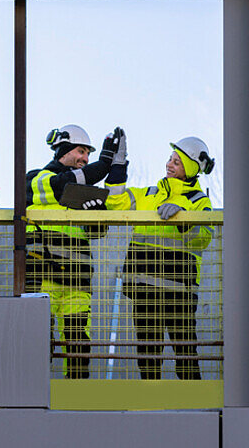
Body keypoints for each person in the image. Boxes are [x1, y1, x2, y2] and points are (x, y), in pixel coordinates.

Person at [106, 136, 215, 380]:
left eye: (177, 162)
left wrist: (184, 220)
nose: (169, 164)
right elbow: (115, 202)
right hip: (144, 287)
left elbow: (204, 238)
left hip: (179, 289)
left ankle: (194, 405)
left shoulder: (198, 201)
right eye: (170, 159)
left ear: (190, 169)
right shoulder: (149, 194)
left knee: (185, 351)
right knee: (148, 353)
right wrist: (117, 166)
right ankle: (151, 406)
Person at [26, 124, 125, 379]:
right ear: (63, 150)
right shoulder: (36, 178)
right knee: (37, 345)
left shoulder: (81, 190)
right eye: (81, 151)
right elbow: (62, 185)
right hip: (41, 277)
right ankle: (33, 402)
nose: (84, 159)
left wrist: (96, 215)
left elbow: (97, 232)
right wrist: (103, 165)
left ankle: (77, 399)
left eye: (88, 155)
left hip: (77, 280)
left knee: (79, 345)